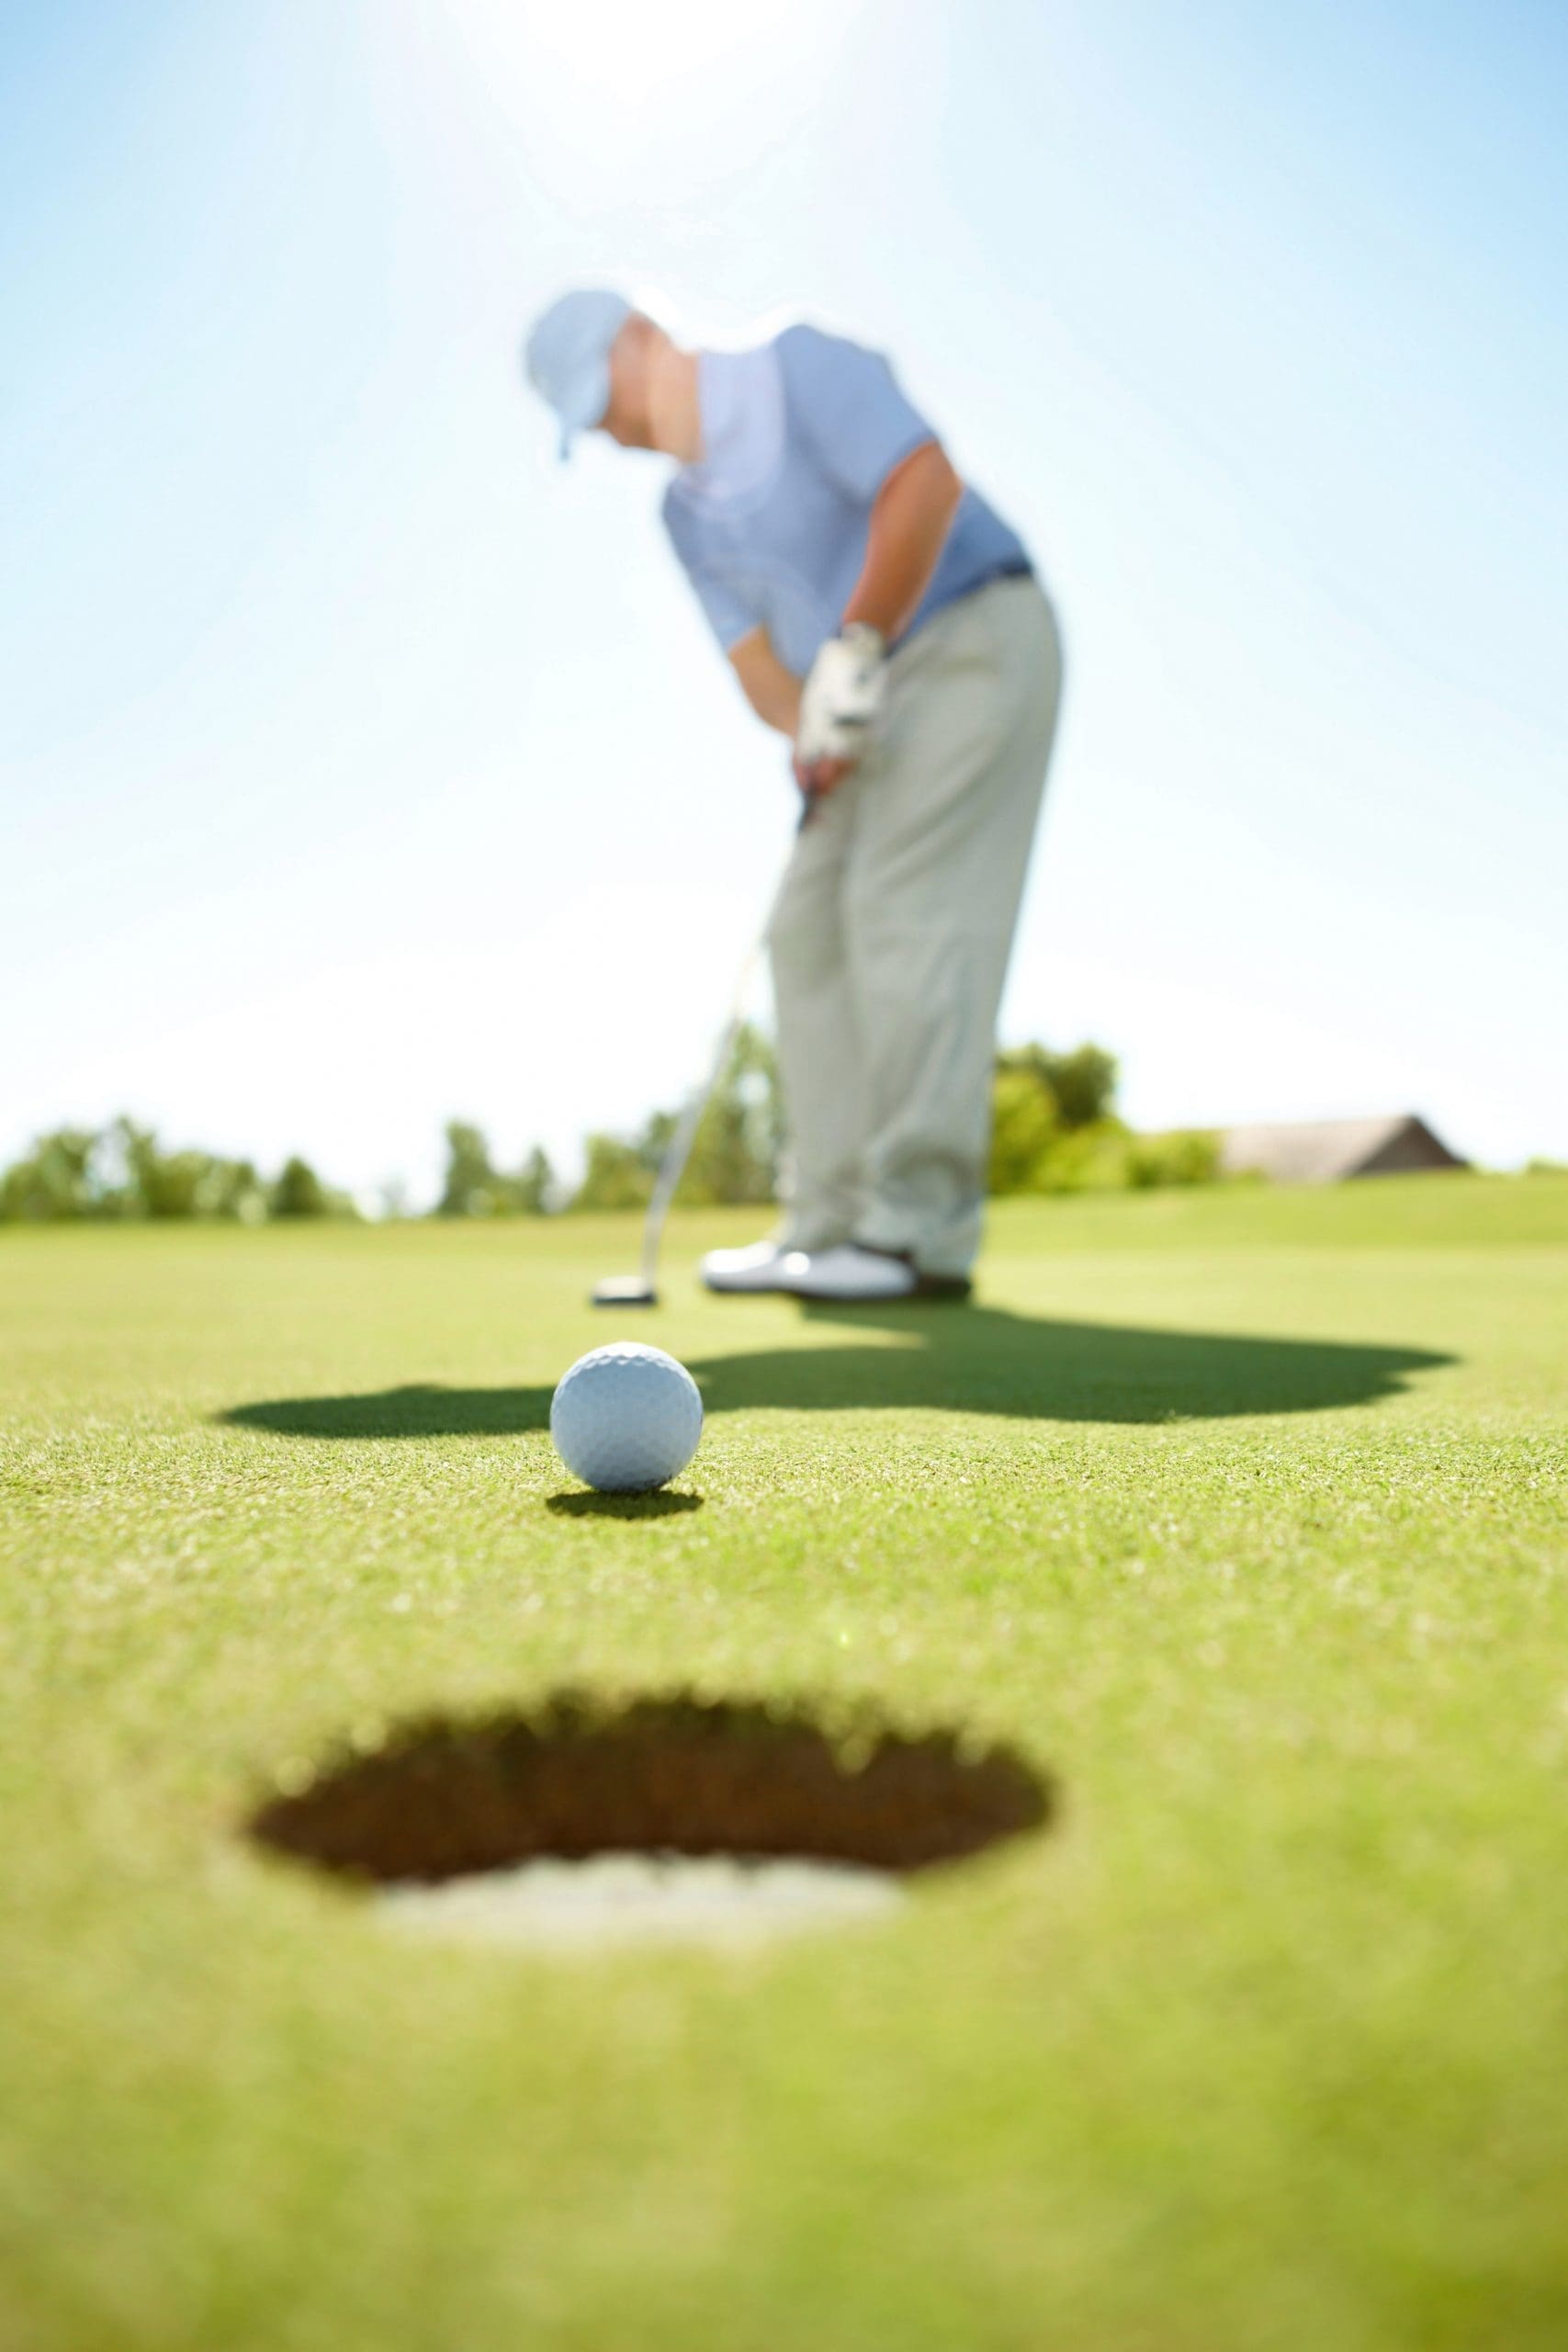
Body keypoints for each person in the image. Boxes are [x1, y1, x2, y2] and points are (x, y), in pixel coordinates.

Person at [524, 289, 1063, 1304]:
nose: (617, 431)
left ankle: (915, 1231)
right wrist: (811, 726)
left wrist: (854, 647)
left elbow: (924, 481)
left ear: (643, 336)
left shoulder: (793, 364)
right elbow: (760, 671)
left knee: (901, 903)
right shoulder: (683, 515)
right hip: (863, 703)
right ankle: (829, 1221)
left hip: (971, 634)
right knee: (805, 926)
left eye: (610, 399)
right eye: (594, 423)